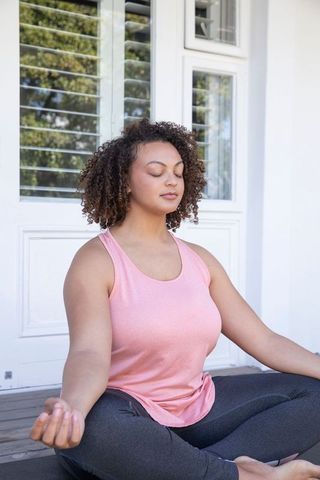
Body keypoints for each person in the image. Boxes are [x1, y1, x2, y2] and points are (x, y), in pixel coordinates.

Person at [30, 119, 320, 480]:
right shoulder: (96, 261)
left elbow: (263, 340)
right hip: (127, 411)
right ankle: (245, 475)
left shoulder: (200, 259)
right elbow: (88, 352)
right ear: (124, 180)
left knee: (314, 395)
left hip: (199, 407)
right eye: (156, 171)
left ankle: (200, 470)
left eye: (179, 173)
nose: (172, 181)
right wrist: (72, 408)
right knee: (93, 430)